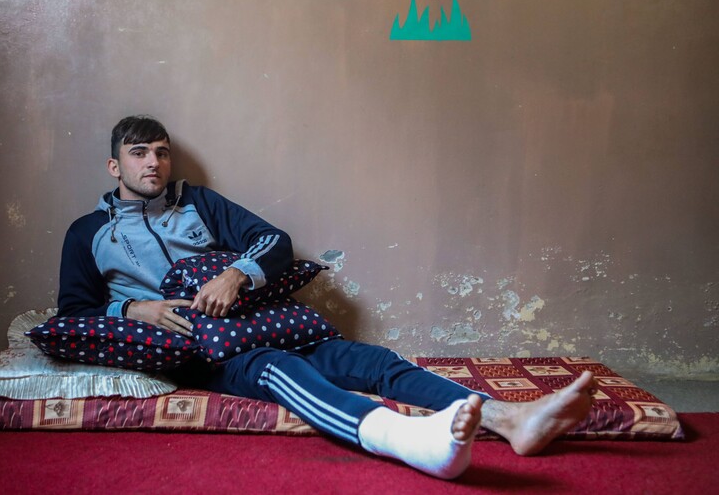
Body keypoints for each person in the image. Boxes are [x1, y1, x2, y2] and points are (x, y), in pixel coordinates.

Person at [57, 115, 596, 480]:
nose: (153, 163)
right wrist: (135, 308)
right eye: (138, 154)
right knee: (277, 370)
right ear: (115, 166)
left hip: (253, 320)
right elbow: (72, 313)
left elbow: (274, 241)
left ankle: (509, 419)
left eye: (162, 153)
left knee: (368, 359)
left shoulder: (199, 203)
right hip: (202, 351)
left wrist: (236, 276)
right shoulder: (87, 233)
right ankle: (412, 442)